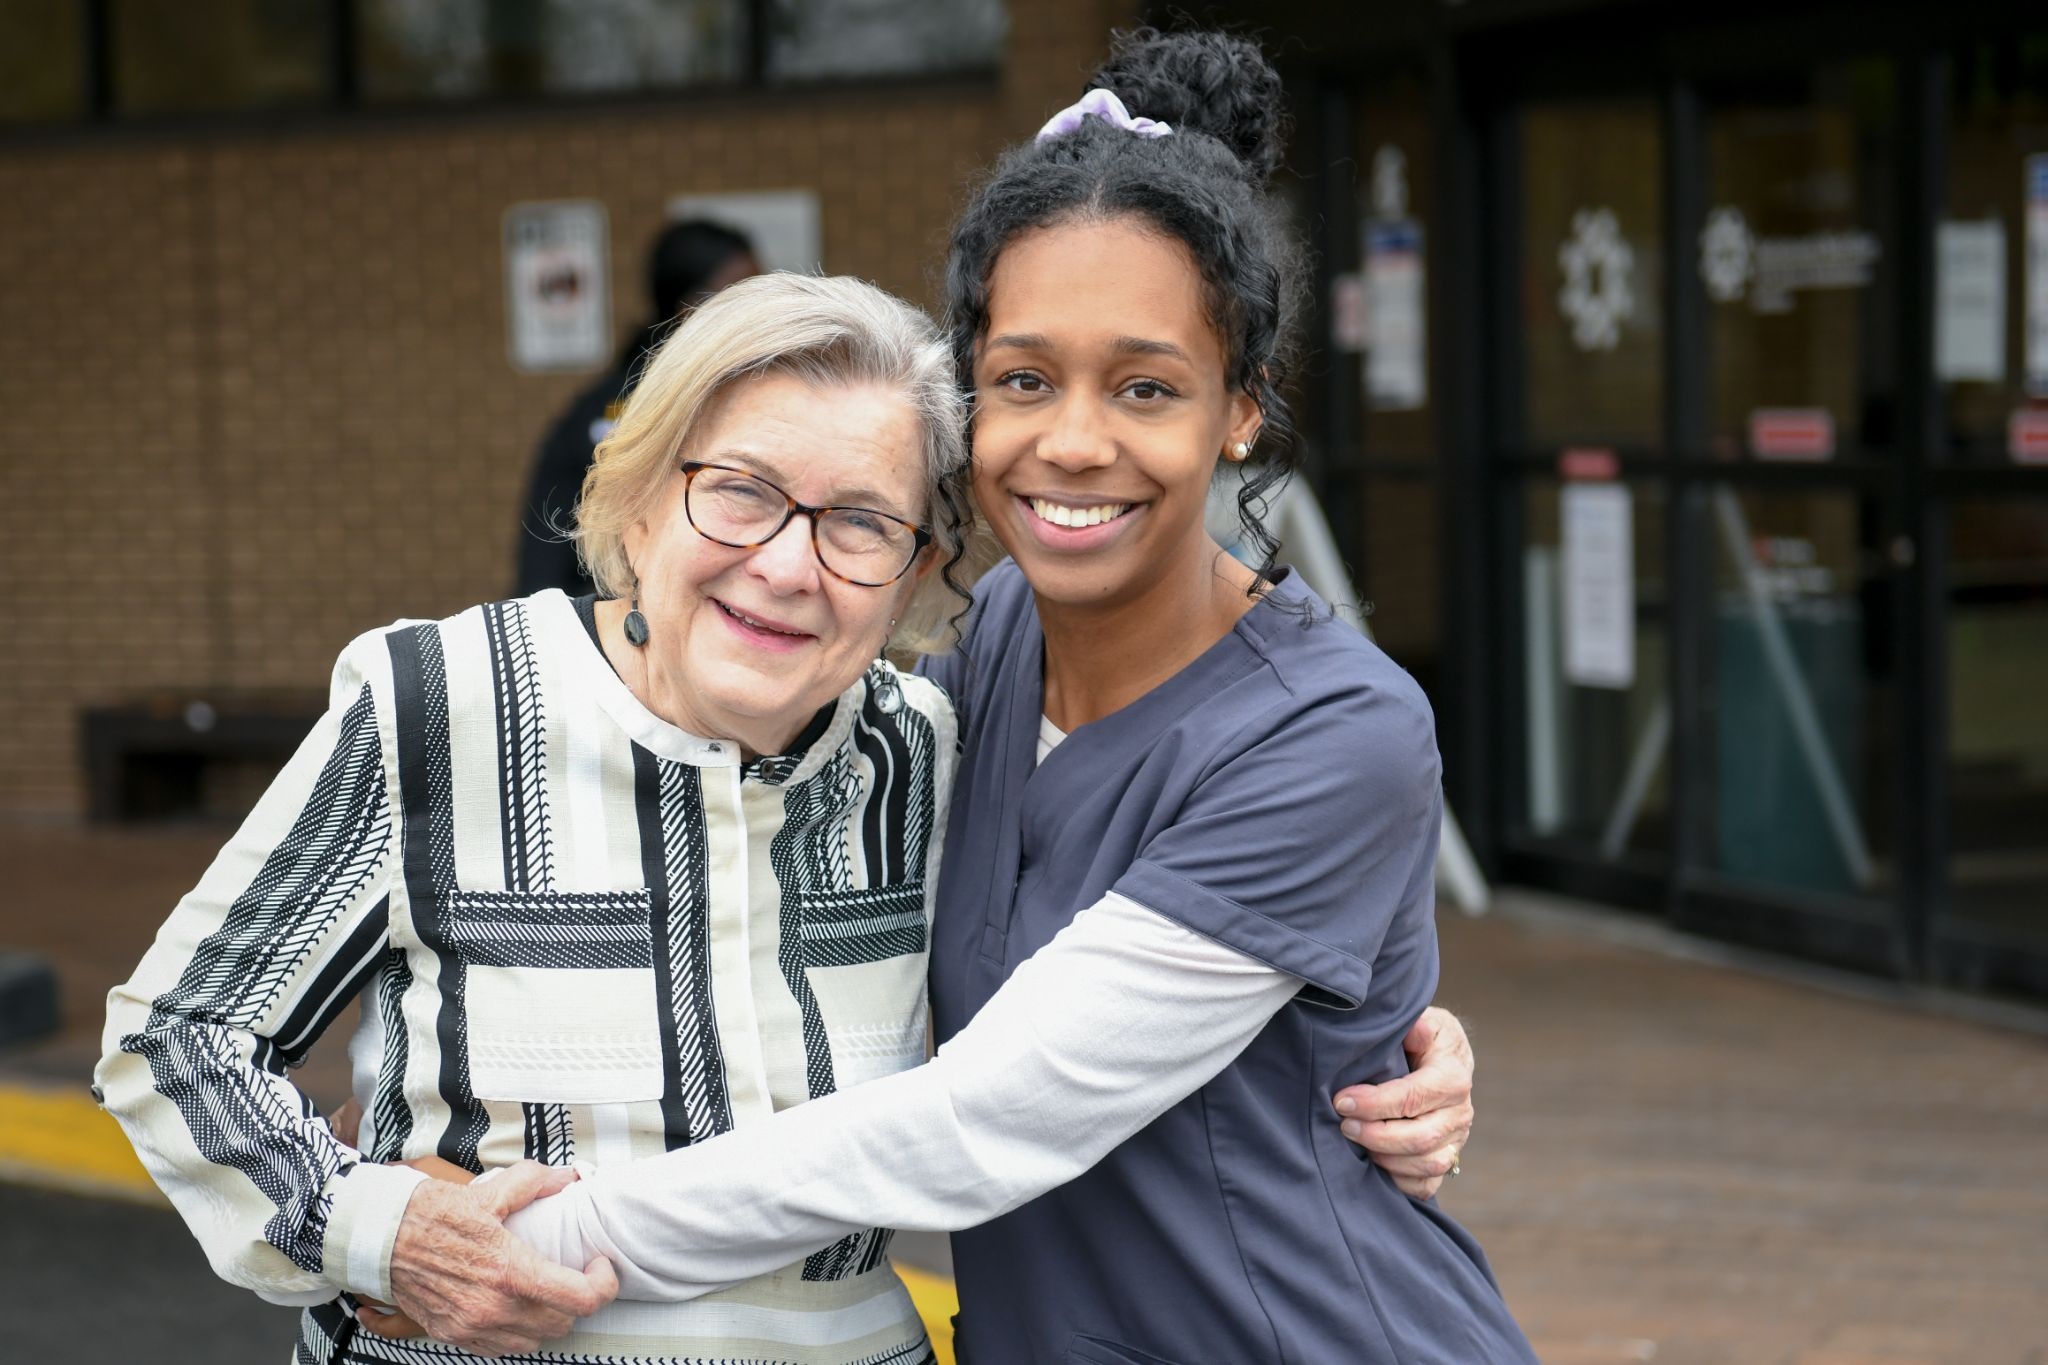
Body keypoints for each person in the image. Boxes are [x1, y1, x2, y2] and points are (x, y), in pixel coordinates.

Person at [98, 265, 1470, 1364]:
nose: (785, 564)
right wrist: (379, 1233)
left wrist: (1387, 1051)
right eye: (741, 489)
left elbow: (1101, 996)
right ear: (643, 497)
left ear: (918, 574)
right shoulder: (437, 704)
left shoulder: (930, 754)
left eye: (860, 522)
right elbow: (180, 1035)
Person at [461, 29, 1536, 1364]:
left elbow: (981, 1120)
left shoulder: (1334, 734)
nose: (1073, 441)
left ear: (1241, 410)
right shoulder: (998, 642)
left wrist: (518, 1248)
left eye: (1146, 386)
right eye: (1025, 378)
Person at [515, 218, 759, 597]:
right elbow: (549, 536)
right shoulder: (626, 401)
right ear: (689, 306)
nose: (754, 311)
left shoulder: (741, 391)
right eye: (736, 295)